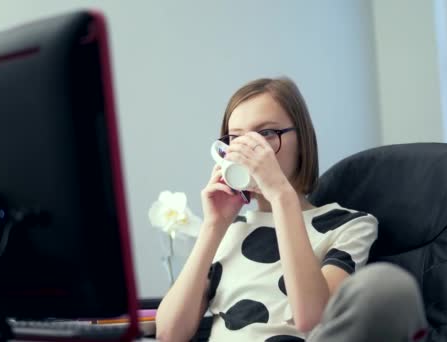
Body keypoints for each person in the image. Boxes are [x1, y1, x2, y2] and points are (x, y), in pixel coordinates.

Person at [155, 77, 429, 342]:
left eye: (266, 134)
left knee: (388, 285)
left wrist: (282, 197)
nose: (251, 151)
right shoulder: (229, 230)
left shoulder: (347, 225)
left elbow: (312, 318)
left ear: (302, 141)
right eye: (237, 139)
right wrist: (213, 226)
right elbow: (169, 334)